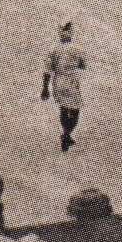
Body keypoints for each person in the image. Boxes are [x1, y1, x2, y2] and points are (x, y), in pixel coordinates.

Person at [41, 21, 85, 152]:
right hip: (72, 81)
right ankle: (67, 134)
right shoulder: (78, 49)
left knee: (64, 109)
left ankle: (66, 134)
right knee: (75, 110)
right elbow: (82, 65)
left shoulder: (54, 50)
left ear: (60, 35)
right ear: (71, 34)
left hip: (58, 81)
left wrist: (45, 88)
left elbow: (48, 70)